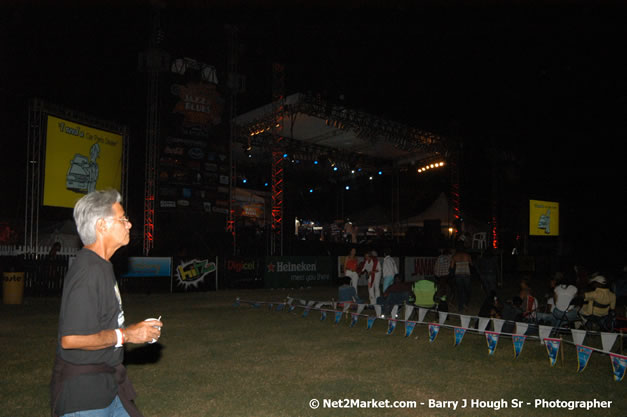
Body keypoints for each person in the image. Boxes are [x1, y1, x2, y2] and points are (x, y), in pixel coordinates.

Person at [50, 190, 163, 417]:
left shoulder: (101, 265)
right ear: (102, 225)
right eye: (123, 219)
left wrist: (135, 331)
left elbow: (101, 324)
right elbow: (71, 339)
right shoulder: (88, 271)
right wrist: (126, 335)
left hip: (108, 388)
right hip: (86, 399)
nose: (129, 224)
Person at [451, 245, 472, 313]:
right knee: (467, 290)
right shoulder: (467, 255)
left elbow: (451, 267)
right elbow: (471, 264)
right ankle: (465, 304)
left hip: (458, 275)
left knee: (460, 291)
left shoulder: (454, 256)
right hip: (466, 274)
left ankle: (460, 307)